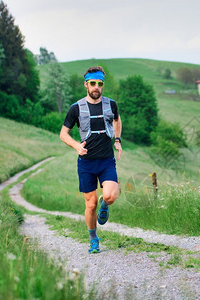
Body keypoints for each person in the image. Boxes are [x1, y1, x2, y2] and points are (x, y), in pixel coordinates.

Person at [60, 66, 122, 254]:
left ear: (103, 85)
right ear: (86, 84)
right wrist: (76, 146)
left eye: (100, 84)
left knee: (110, 196)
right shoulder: (76, 108)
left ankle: (106, 205)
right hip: (86, 163)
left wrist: (117, 140)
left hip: (106, 160)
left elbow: (117, 121)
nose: (96, 87)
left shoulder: (111, 105)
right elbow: (63, 134)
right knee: (90, 204)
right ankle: (93, 238)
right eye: (93, 83)